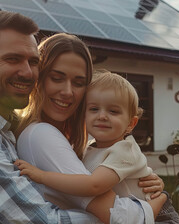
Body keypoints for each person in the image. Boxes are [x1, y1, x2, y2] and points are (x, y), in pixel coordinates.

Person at [0, 10, 163, 223]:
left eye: (32, 62)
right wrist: (154, 205)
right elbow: (42, 220)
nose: (27, 71)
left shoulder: (3, 128)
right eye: (12, 59)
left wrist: (139, 179)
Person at [15, 33, 167, 223]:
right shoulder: (40, 134)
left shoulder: (88, 143)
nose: (68, 91)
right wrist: (160, 201)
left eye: (78, 83)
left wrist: (150, 182)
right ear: (39, 78)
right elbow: (124, 218)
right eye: (56, 78)